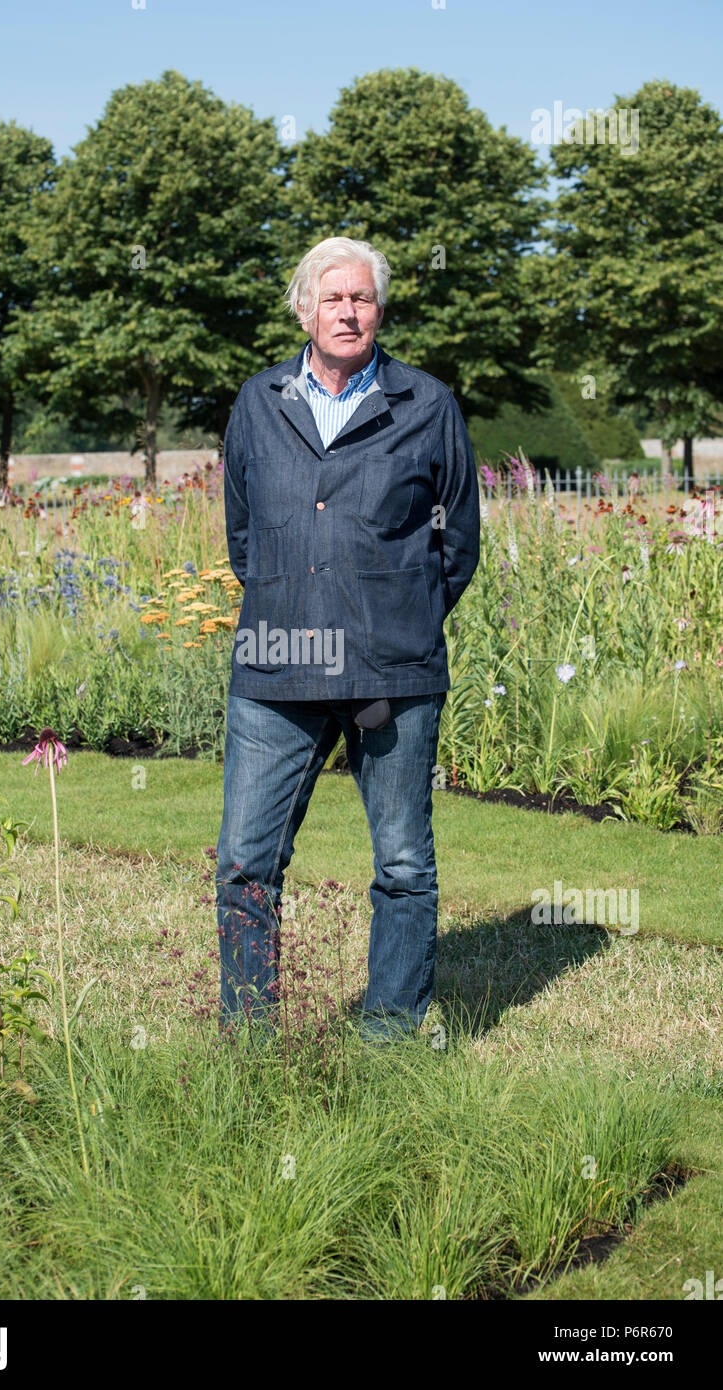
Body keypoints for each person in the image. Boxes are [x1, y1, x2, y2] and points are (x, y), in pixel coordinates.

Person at [215, 236, 480, 1044]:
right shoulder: (259, 402)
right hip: (276, 668)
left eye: (362, 298)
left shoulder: (426, 404)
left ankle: (391, 1031)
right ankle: (250, 1037)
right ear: (304, 308)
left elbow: (455, 545)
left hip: (390, 670)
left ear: (379, 310)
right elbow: (243, 537)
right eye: (333, 298)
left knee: (402, 865)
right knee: (243, 864)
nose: (348, 311)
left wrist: (393, 620)